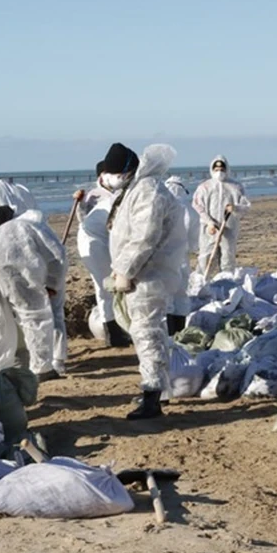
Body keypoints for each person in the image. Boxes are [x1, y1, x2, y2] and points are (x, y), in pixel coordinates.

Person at [105, 143, 188, 420]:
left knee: (146, 333)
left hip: (148, 275)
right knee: (150, 333)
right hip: (142, 274)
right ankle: (157, 390)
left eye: (115, 172)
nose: (111, 178)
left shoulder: (148, 191)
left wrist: (126, 270)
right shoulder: (136, 189)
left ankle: (152, 397)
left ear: (128, 170)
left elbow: (144, 236)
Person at [0, 204, 67, 381]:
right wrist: (53, 283)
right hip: (6, 267)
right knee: (33, 315)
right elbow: (58, 255)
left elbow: (56, 255)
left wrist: (52, 283)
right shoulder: (26, 224)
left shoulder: (22, 225)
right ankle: (42, 368)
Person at [75, 160, 130, 347]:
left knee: (111, 284)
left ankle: (118, 327)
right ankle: (112, 332)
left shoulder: (118, 195)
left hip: (104, 238)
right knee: (105, 285)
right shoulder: (97, 196)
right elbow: (85, 219)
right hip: (93, 241)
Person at [192, 155, 251, 277]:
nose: (219, 171)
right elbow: (197, 205)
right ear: (212, 169)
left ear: (227, 169)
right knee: (206, 257)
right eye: (216, 168)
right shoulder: (205, 187)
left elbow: (246, 206)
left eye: (222, 168)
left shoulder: (236, 187)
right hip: (209, 229)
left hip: (229, 227)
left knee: (227, 257)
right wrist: (209, 222)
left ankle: (226, 283)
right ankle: (203, 282)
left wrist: (235, 207)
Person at [163, 175, 196, 335]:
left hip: (163, 257)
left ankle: (169, 332)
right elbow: (194, 239)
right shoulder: (189, 210)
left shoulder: (162, 207)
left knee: (167, 295)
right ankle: (180, 331)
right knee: (181, 294)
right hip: (182, 256)